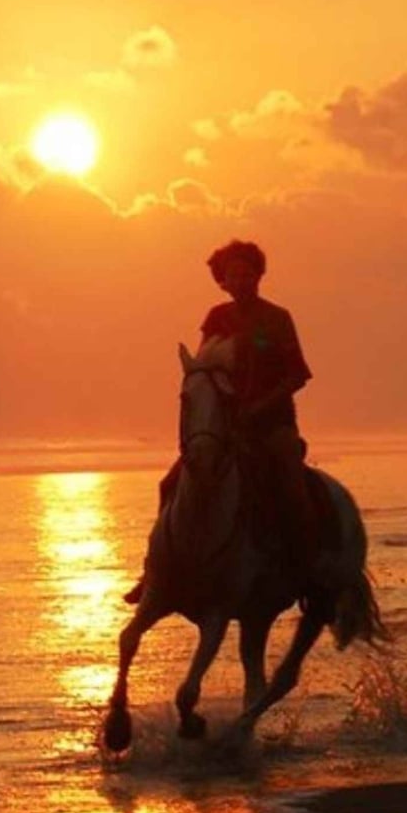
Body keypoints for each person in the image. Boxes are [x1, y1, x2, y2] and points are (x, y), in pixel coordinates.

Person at [124, 239, 318, 605]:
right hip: (226, 430)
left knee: (293, 490)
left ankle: (308, 569)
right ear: (222, 281)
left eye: (248, 274)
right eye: (233, 276)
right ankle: (155, 571)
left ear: (259, 275)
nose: (241, 281)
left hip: (274, 425)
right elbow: (204, 369)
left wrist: (260, 406)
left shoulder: (278, 318)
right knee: (169, 485)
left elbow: (297, 376)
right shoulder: (216, 318)